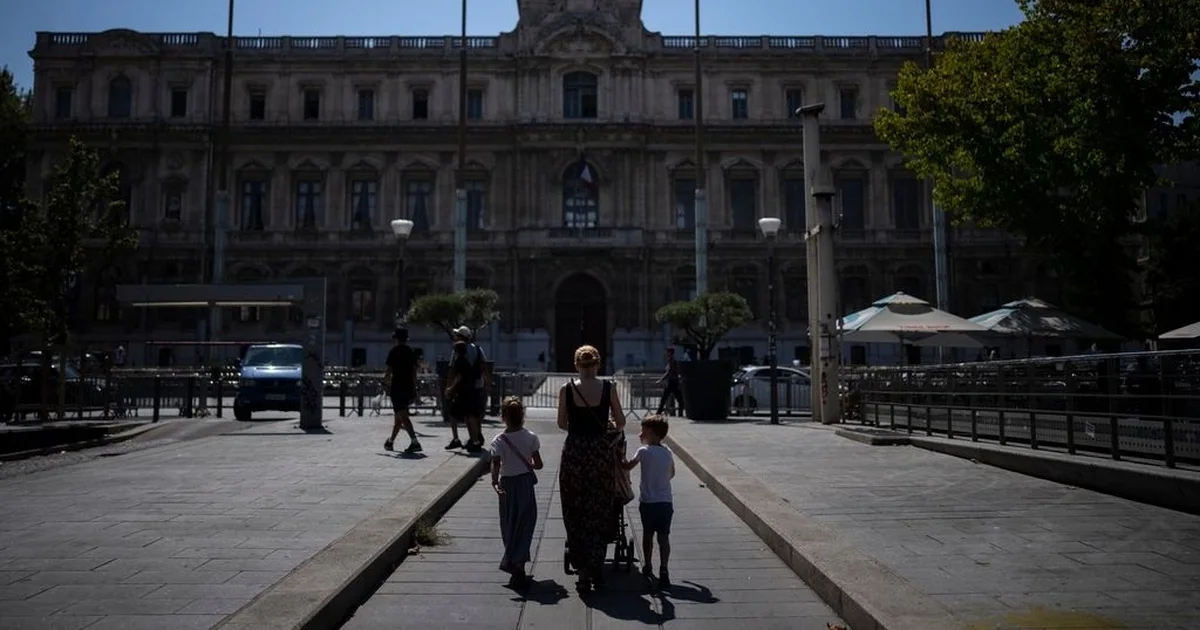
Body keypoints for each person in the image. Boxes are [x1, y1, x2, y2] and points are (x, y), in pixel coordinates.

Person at [557, 344, 626, 593]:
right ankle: (596, 565)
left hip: (574, 453)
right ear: (597, 364)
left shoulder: (566, 389)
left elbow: (561, 423)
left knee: (574, 507)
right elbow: (620, 423)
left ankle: (582, 570)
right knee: (598, 509)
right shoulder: (609, 388)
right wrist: (601, 429)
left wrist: (579, 432)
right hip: (599, 454)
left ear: (576, 365)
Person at [489, 396, 543, 589]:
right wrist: (527, 463)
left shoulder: (499, 440)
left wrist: (495, 483)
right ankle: (519, 561)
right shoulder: (531, 437)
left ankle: (512, 560)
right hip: (525, 485)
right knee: (526, 522)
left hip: (507, 485)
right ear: (523, 415)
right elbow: (539, 464)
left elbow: (495, 465)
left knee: (508, 524)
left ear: (503, 417)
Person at [623, 415, 675, 589]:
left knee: (647, 534)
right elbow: (671, 473)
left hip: (648, 502)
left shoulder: (644, 451)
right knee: (664, 537)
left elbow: (628, 466)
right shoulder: (667, 451)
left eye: (643, 431)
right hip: (665, 502)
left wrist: (617, 458)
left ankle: (648, 565)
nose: (640, 433)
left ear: (651, 433)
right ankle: (664, 569)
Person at [383, 327, 421, 454]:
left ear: (396, 339)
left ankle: (414, 441)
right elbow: (414, 371)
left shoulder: (393, 351)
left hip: (397, 386)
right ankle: (391, 441)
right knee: (399, 416)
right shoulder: (410, 351)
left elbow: (389, 370)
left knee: (402, 414)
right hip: (408, 386)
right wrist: (415, 387)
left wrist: (384, 383)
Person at [452, 325, 488, 451]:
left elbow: (455, 372)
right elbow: (484, 366)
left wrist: (451, 388)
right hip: (479, 385)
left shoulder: (459, 349)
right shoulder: (478, 349)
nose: (455, 337)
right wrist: (488, 383)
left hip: (466, 387)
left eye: (457, 335)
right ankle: (477, 436)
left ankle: (474, 439)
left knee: (468, 414)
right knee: (476, 413)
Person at [442, 341, 471, 451]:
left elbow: (458, 377)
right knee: (467, 416)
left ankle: (456, 439)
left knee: (452, 415)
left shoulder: (458, 361)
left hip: (461, 392)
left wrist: (450, 389)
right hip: (467, 391)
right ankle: (472, 439)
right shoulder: (467, 362)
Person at [655, 347, 684, 416]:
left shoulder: (672, 361)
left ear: (670, 353)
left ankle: (658, 413)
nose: (666, 353)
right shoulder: (670, 360)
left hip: (672, 381)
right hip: (673, 381)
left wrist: (661, 379)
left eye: (667, 352)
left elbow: (669, 372)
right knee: (679, 398)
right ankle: (680, 413)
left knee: (664, 398)